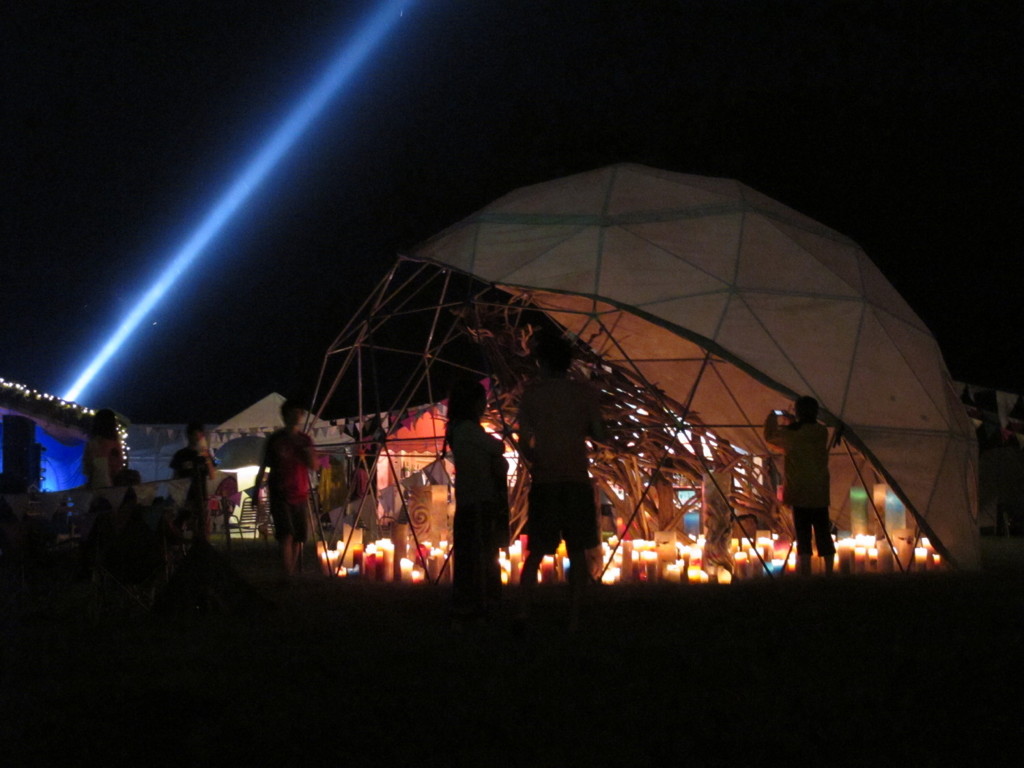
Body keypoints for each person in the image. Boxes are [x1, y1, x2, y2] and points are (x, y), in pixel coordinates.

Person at [516, 331, 604, 632]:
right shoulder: (585, 393)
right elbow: (600, 433)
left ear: (541, 361)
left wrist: (536, 454)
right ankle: (574, 618)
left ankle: (524, 612)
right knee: (578, 552)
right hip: (576, 479)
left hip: (546, 481)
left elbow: (523, 442)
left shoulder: (532, 395)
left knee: (537, 550)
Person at [446, 378, 508, 627]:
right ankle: (478, 601)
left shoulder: (458, 428)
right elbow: (498, 447)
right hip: (478, 498)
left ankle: (474, 600)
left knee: (474, 550)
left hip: (471, 497)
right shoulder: (468, 430)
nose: (485, 405)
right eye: (482, 400)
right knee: (480, 551)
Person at [764, 396, 835, 576]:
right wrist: (793, 422)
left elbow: (771, 437)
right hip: (819, 491)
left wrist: (773, 417)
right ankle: (829, 572)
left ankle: (806, 572)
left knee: (803, 535)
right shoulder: (821, 431)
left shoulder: (792, 434)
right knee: (823, 533)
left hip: (800, 491)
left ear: (797, 411)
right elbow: (802, 433)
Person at [254, 399, 317, 579]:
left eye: (299, 412)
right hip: (280, 492)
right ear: (285, 415)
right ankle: (286, 573)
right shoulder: (276, 439)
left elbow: (314, 465)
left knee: (298, 537)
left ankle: (289, 571)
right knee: (286, 534)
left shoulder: (305, 440)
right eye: (292, 412)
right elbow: (264, 466)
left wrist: (308, 454)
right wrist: (256, 491)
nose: (296, 415)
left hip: (300, 492)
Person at [169, 421, 215, 541]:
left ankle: (203, 546)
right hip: (185, 496)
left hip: (201, 495)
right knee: (185, 523)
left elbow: (212, 475)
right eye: (196, 435)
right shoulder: (181, 455)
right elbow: (175, 476)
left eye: (201, 435)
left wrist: (207, 458)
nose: (199, 438)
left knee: (203, 525)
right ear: (189, 435)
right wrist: (174, 494)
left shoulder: (206, 454)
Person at [82, 408, 124, 489]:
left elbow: (87, 466)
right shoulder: (115, 443)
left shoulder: (93, 443)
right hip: (113, 484)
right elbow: (119, 464)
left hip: (96, 483)